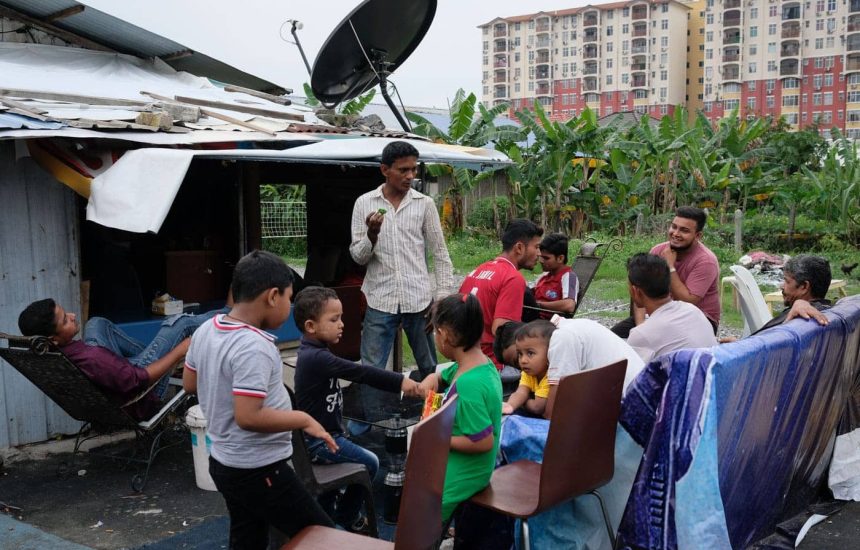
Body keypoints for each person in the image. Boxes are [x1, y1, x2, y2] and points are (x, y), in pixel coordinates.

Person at [183, 250, 336, 549]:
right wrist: (303, 419)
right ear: (272, 296)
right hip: (260, 470)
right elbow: (249, 416)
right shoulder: (253, 345)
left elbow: (190, 384)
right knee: (323, 536)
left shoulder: (206, 330)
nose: (289, 306)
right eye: (289, 298)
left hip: (225, 463)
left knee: (248, 538)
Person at [292, 286, 421, 532]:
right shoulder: (316, 358)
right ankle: (346, 518)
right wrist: (401, 381)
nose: (342, 324)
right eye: (334, 319)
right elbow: (362, 372)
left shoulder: (316, 352)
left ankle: (325, 525)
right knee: (370, 463)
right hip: (318, 443)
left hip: (328, 437)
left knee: (329, 490)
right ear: (311, 326)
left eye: (340, 317)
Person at [349, 140, 455, 380]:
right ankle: (375, 414)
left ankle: (433, 413)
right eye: (403, 170)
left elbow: (440, 252)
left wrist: (442, 298)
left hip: (419, 301)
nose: (410, 176)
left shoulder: (424, 204)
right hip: (380, 299)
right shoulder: (364, 203)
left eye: (413, 169)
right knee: (372, 370)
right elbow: (358, 257)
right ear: (385, 170)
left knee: (430, 369)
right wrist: (371, 235)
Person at [17, 298, 221, 420]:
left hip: (113, 376)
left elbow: (110, 368)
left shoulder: (55, 354)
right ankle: (232, 315)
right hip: (141, 396)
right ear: (53, 339)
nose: (71, 315)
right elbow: (141, 379)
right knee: (179, 324)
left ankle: (154, 350)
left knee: (96, 323)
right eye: (65, 320)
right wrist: (180, 350)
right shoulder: (92, 358)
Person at [418, 293, 503, 531]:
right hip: (473, 470)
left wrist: (437, 438)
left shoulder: (469, 385)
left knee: (419, 521)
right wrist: (433, 377)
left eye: (435, 332)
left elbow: (483, 441)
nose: (435, 337)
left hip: (459, 479)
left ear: (444, 335)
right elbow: (447, 374)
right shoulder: (480, 364)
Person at [612, 206, 720, 338]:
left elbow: (687, 302)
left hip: (698, 321)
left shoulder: (706, 261)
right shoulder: (658, 251)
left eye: (684, 230)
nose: (676, 233)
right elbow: (641, 292)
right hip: (660, 316)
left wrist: (669, 266)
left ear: (698, 235)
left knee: (657, 345)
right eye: (674, 227)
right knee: (611, 338)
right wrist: (641, 327)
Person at [459, 218, 543, 369]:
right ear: (519, 248)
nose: (539, 253)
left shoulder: (478, 269)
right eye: (536, 247)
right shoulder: (512, 278)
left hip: (466, 359)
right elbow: (502, 332)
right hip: (493, 364)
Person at [545, 317, 646, 419]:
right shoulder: (578, 325)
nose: (527, 360)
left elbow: (552, 414)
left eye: (531, 353)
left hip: (626, 418)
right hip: (640, 407)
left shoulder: (562, 336)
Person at [625, 253, 718, 362]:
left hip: (682, 378)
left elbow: (632, 375)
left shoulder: (641, 335)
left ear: (636, 291)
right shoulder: (693, 310)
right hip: (710, 375)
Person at [754, 254, 832, 333]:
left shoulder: (797, 319)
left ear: (804, 286)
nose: (782, 286)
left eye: (787, 281)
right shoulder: (830, 314)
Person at [502, 321, 553, 418]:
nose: (523, 360)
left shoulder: (550, 375)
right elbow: (521, 392)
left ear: (549, 353)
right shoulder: (528, 373)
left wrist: (523, 401)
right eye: (520, 354)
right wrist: (509, 406)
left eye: (530, 353)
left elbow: (537, 407)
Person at [532, 233, 579, 319]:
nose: (541, 261)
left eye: (546, 258)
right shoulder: (544, 276)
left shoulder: (568, 276)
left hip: (548, 323)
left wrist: (538, 305)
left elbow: (569, 305)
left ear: (560, 258)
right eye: (541, 257)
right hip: (534, 317)